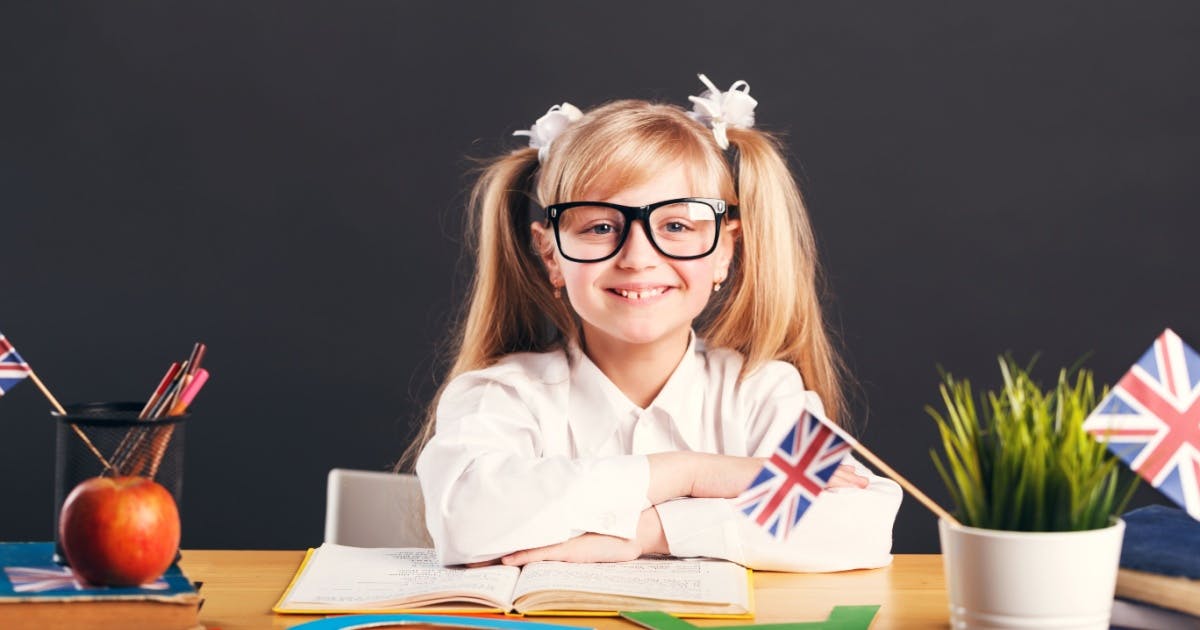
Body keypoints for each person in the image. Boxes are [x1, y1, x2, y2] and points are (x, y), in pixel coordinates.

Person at [406, 75, 902, 572]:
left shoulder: (760, 392)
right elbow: (466, 518)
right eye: (601, 227)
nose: (638, 257)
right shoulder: (502, 396)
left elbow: (859, 517)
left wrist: (651, 532)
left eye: (677, 226)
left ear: (725, 251)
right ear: (551, 254)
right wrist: (690, 474)